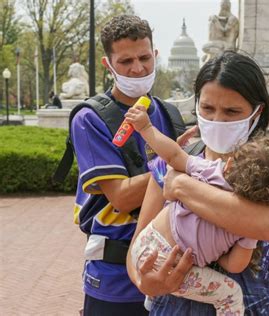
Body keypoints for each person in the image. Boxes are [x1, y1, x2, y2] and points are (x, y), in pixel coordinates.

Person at [126, 51, 269, 315]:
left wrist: (182, 187)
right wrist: (145, 280)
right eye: (208, 109)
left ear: (257, 112)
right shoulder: (175, 160)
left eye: (232, 111)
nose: (217, 120)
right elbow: (137, 247)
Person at [70, 15, 194, 316]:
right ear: (107, 64)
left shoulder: (169, 113)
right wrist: (179, 161)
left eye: (144, 57)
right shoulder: (90, 119)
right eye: (125, 61)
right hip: (115, 280)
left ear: (156, 55)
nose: (138, 68)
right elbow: (122, 197)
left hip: (172, 274)